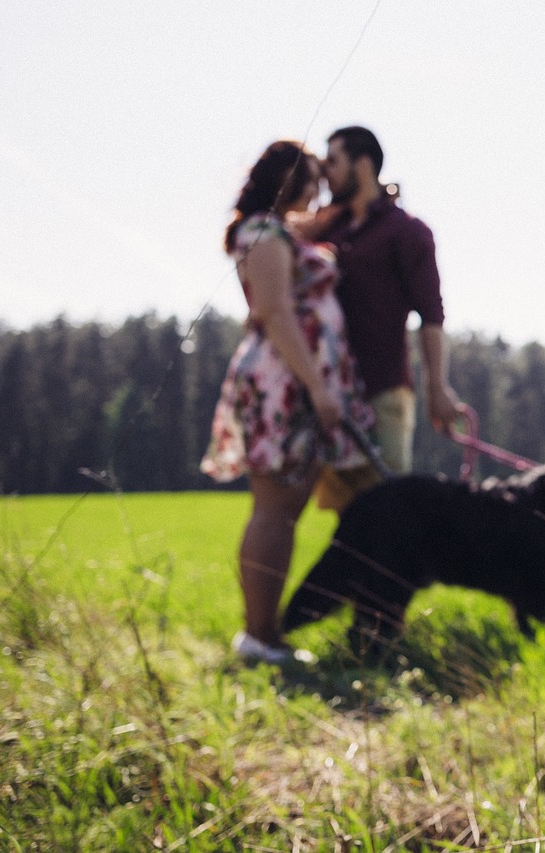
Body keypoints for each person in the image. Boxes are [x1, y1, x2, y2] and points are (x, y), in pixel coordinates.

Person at [200, 140, 377, 665]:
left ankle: (265, 634)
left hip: (292, 381)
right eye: (312, 178)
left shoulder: (275, 230)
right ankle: (260, 637)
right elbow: (276, 313)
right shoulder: (265, 233)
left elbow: (315, 228)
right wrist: (320, 389)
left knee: (282, 510)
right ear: (291, 179)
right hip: (289, 383)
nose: (319, 188)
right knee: (276, 510)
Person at [309, 125, 464, 510]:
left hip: (381, 391)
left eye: (333, 162)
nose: (324, 172)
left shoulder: (407, 231)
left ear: (362, 166)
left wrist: (438, 387)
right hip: (326, 394)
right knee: (344, 518)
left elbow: (431, 314)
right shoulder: (329, 229)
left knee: (385, 513)